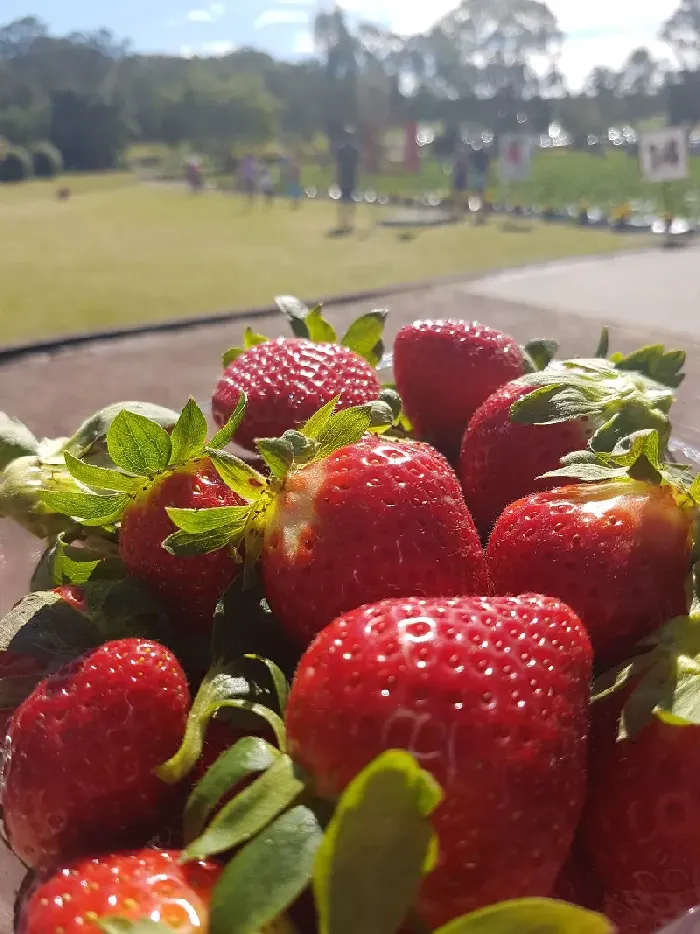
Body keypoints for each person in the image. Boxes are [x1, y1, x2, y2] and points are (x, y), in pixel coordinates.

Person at [335, 132, 360, 231]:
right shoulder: (354, 151)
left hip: (344, 179)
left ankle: (343, 222)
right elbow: (357, 166)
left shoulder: (341, 151)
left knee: (344, 201)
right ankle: (349, 223)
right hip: (350, 179)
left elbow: (338, 166)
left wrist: (337, 178)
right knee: (350, 201)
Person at [452, 147, 469, 218]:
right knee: (457, 195)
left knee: (460, 195)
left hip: (461, 179)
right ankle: (457, 210)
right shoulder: (458, 162)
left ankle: (459, 210)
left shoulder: (463, 163)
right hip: (458, 179)